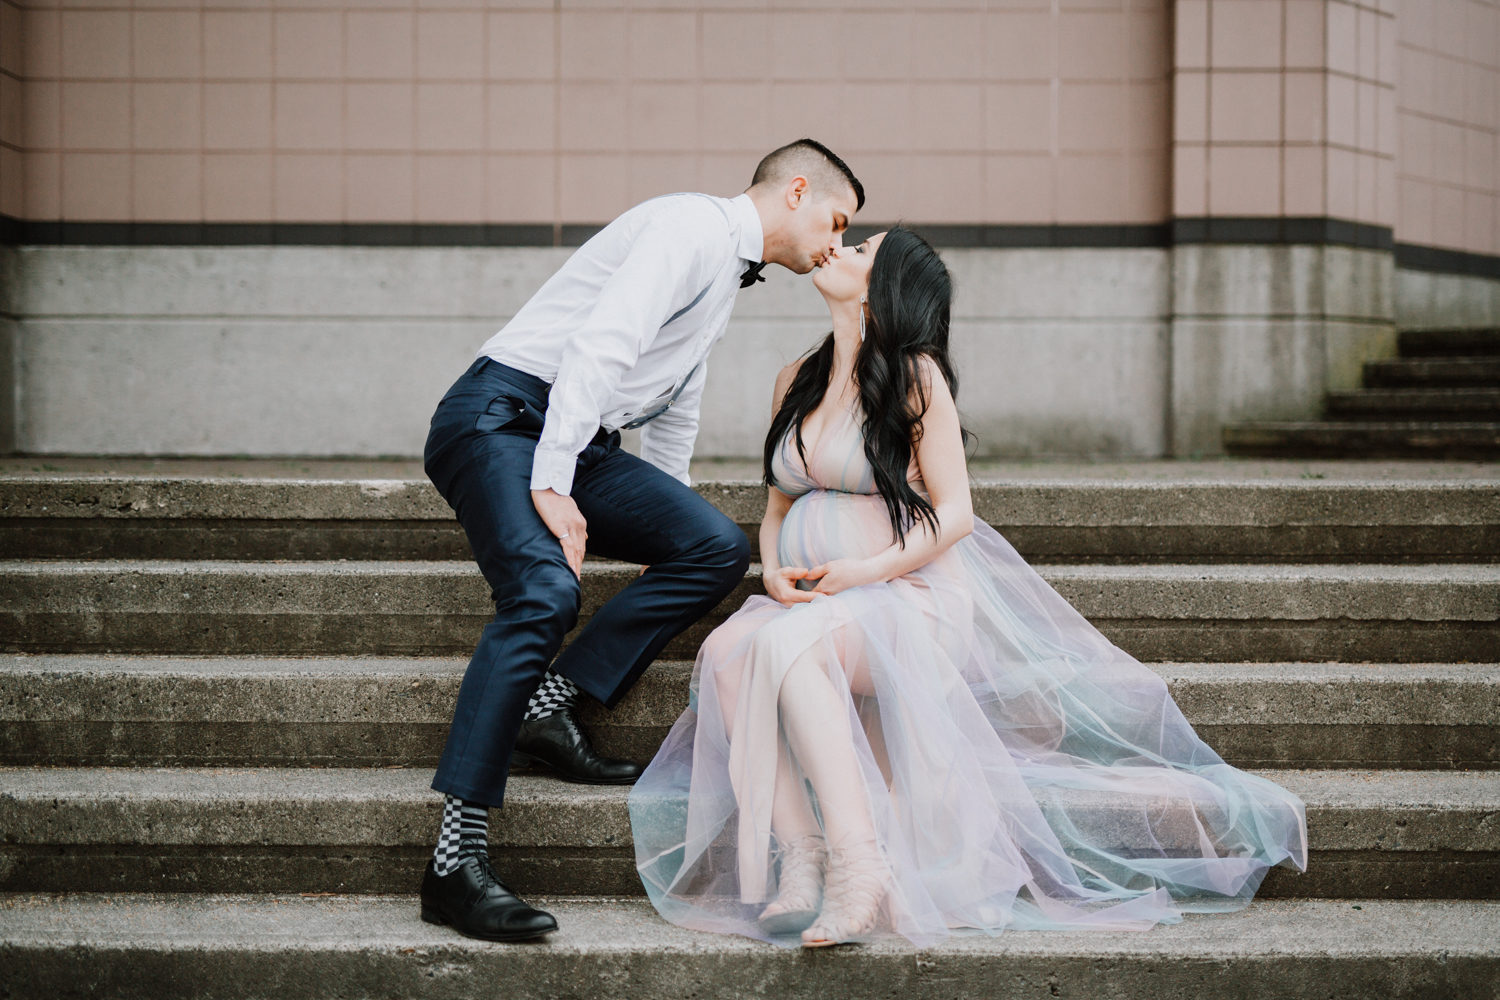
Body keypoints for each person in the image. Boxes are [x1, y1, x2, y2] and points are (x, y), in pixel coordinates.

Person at [629, 226, 1309, 948]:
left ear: (887, 285)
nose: (842, 250)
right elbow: (776, 507)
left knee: (791, 646)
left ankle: (862, 868)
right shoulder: (794, 377)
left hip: (909, 598)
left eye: (863, 250)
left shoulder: (914, 378)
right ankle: (803, 855)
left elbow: (955, 514)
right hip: (817, 597)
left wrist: (864, 571)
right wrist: (770, 568)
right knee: (733, 652)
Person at [418, 139, 865, 942]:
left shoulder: (726, 273)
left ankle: (549, 708)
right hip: (501, 416)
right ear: (797, 190)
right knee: (545, 592)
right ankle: (454, 862)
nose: (836, 243)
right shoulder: (688, 231)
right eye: (837, 221)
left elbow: (674, 403)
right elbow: (601, 347)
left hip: (578, 434)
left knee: (716, 546)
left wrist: (667, 509)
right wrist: (551, 481)